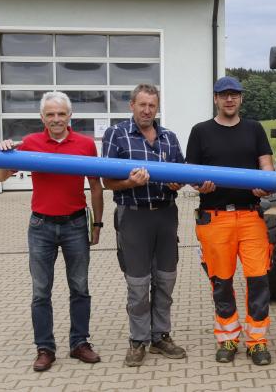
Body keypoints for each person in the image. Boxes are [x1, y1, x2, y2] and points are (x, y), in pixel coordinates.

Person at [0, 91, 103, 372]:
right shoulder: (30, 143)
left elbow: (96, 185)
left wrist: (98, 224)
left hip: (76, 224)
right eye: (50, 114)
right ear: (43, 117)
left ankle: (79, 343)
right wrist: (4, 152)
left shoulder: (85, 144)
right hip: (41, 226)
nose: (56, 119)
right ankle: (45, 348)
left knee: (80, 288)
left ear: (70, 116)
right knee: (41, 291)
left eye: (61, 114)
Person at [186, 76, 274, 365]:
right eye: (223, 95)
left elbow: (266, 167)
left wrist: (267, 183)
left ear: (241, 99)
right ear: (215, 98)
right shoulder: (200, 132)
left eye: (234, 95)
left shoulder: (254, 129)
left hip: (250, 216)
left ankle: (257, 342)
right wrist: (200, 184)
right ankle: (227, 338)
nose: (229, 99)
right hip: (215, 218)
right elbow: (192, 174)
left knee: (258, 280)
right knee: (221, 282)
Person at [102, 83, 186, 367]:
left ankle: (160, 336)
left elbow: (181, 172)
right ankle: (138, 340)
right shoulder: (117, 134)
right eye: (142, 105)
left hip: (165, 215)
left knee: (165, 279)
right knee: (138, 283)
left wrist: (178, 182)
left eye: (152, 105)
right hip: (133, 215)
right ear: (132, 105)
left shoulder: (168, 137)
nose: (147, 110)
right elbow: (107, 181)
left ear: (157, 107)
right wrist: (129, 183)